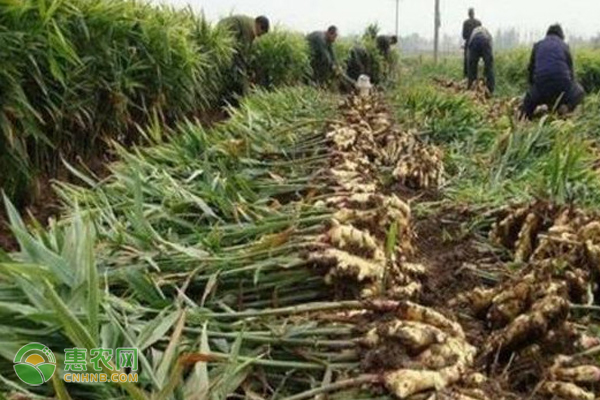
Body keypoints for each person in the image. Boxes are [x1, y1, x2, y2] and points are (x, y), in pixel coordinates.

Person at [520, 24, 584, 120]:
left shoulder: (538, 45)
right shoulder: (565, 46)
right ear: (561, 36)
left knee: (529, 101)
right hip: (562, 87)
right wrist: (570, 90)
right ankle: (566, 108)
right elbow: (571, 73)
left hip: (542, 86)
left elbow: (531, 70)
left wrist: (532, 88)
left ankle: (524, 118)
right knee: (580, 92)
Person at [218, 15, 270, 100]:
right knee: (238, 71)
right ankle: (243, 99)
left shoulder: (250, 26)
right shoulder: (248, 29)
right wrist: (245, 73)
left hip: (226, 36)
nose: (260, 36)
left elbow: (245, 52)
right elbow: (242, 52)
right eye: (261, 32)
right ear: (258, 25)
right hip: (223, 34)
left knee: (238, 68)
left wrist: (248, 69)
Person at [467, 25, 495, 94]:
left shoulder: (474, 32)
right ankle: (490, 89)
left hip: (474, 42)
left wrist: (471, 61)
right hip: (485, 41)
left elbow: (469, 46)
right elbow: (490, 46)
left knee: (472, 68)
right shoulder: (487, 33)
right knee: (489, 68)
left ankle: (471, 87)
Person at [462, 8, 482, 78]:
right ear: (474, 13)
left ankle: (467, 76)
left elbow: (464, 36)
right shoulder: (478, 23)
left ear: (468, 14)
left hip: (469, 43)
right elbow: (481, 33)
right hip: (478, 44)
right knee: (477, 60)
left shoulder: (466, 23)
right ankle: (477, 75)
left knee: (467, 60)